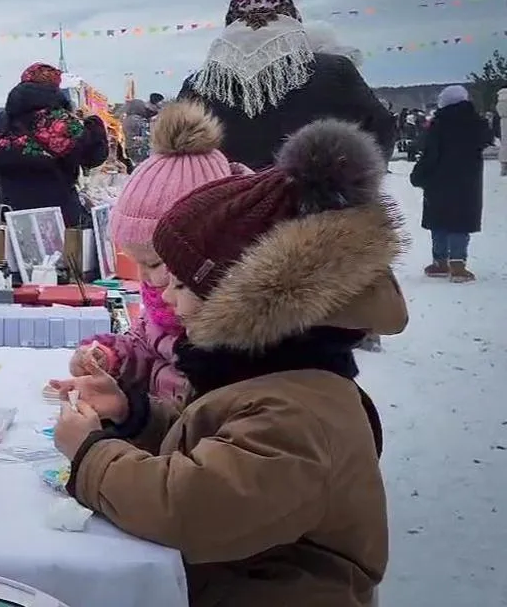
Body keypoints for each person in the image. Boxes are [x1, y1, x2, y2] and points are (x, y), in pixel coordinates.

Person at [51, 119, 407, 606]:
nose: (166, 298)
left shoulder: (298, 412)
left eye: (181, 285)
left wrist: (90, 455)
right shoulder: (268, 376)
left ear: (236, 300)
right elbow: (217, 447)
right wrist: (133, 413)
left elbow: (192, 508)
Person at [65, 100, 246, 406]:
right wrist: (109, 358)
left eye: (153, 263)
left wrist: (131, 421)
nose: (144, 277)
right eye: (137, 263)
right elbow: (147, 347)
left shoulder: (244, 338)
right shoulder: (163, 300)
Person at [178, 0, 395, 170]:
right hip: (316, 208)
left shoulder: (198, 84)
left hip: (224, 207)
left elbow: (178, 154)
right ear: (293, 20)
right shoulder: (335, 70)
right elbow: (380, 129)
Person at [0, 63, 107, 228]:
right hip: (60, 217)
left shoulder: (1, 125)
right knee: (62, 253)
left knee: (14, 253)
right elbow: (93, 157)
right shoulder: (63, 122)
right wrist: (94, 124)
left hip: (12, 216)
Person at [410, 85, 493, 282]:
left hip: (439, 180)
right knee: (460, 222)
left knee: (438, 220)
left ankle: (440, 262)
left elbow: (430, 153)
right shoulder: (476, 123)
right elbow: (487, 140)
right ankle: (458, 265)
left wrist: (419, 175)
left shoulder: (439, 124)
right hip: (467, 181)